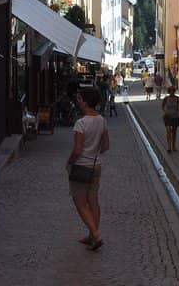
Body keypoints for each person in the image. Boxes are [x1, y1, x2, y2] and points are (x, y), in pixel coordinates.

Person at [67, 87, 109, 251]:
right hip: (95, 166)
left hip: (81, 167)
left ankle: (96, 235)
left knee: (80, 203)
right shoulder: (102, 120)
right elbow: (105, 146)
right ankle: (92, 235)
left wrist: (70, 162)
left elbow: (77, 150)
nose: (78, 101)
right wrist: (94, 152)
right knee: (93, 202)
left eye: (79, 98)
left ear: (85, 102)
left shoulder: (81, 123)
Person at [160, 86, 179, 153]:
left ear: (174, 91)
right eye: (170, 91)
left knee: (174, 132)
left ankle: (173, 146)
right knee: (168, 130)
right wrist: (165, 111)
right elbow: (162, 106)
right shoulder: (166, 98)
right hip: (167, 116)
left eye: (173, 91)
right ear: (169, 92)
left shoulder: (178, 98)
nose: (172, 93)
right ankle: (169, 147)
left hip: (175, 116)